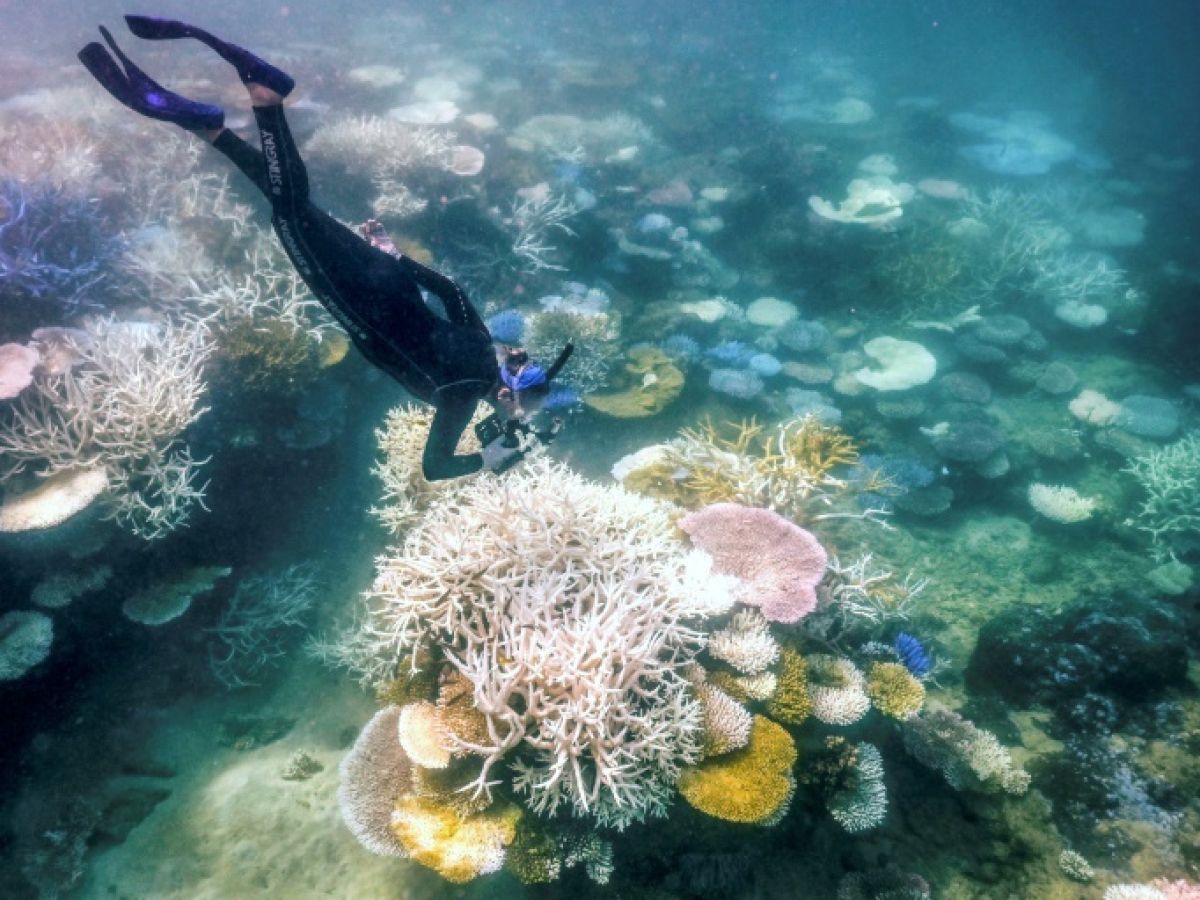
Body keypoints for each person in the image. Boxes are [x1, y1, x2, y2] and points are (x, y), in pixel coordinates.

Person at [77, 16, 570, 481]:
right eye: (521, 409)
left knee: (298, 207)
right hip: (356, 295)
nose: (517, 417)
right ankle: (266, 101)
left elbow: (452, 290)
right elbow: (435, 467)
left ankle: (209, 128)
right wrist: (487, 458)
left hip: (386, 277)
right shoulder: (462, 395)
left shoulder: (485, 345)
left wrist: (394, 257)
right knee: (288, 216)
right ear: (507, 394)